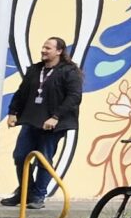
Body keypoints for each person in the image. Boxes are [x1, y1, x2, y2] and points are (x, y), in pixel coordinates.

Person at [5, 35, 80, 206]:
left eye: (48, 48)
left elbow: (74, 97)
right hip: (32, 121)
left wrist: (55, 117)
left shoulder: (69, 71)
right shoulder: (35, 70)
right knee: (20, 156)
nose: (43, 51)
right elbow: (21, 92)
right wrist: (12, 112)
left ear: (59, 51)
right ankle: (25, 192)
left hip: (53, 125)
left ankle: (39, 196)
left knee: (44, 158)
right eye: (43, 47)